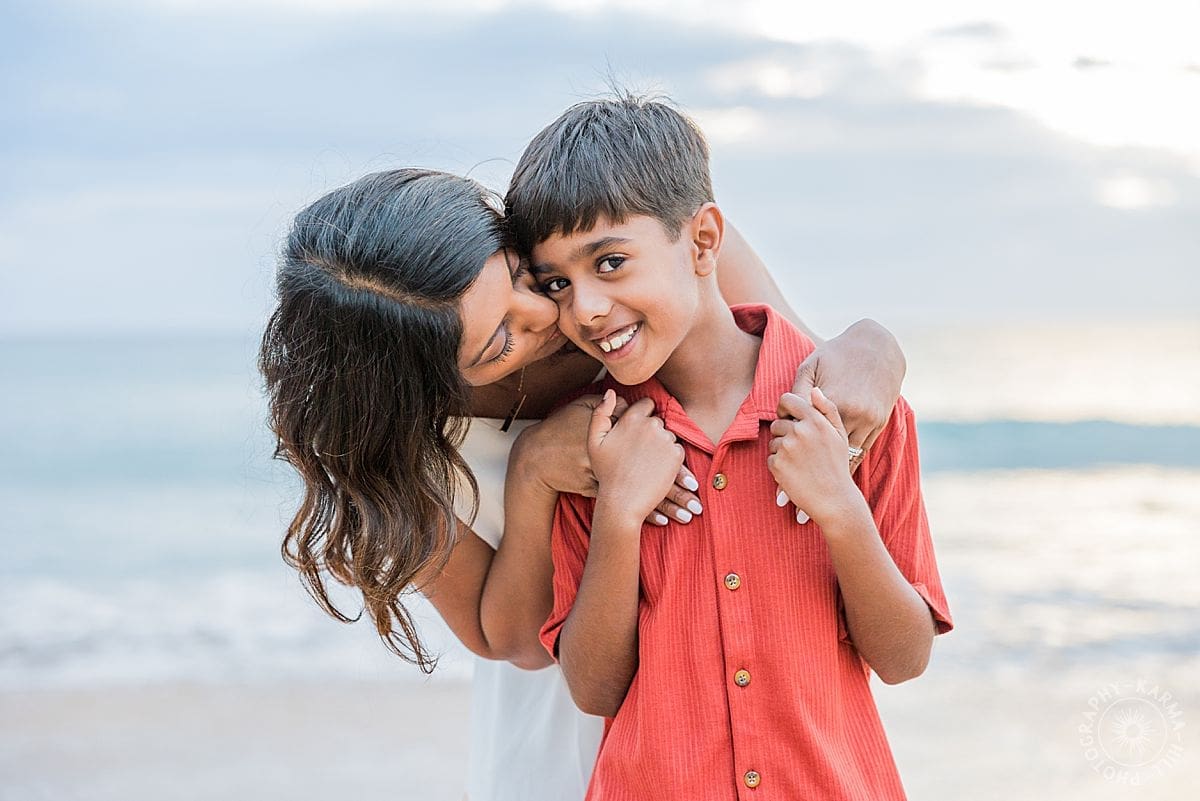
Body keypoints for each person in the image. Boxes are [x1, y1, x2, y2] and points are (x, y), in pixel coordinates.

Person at [259, 164, 908, 797]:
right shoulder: (385, 454)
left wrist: (876, 346)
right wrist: (533, 472)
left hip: (741, 721)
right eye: (500, 340)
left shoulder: (608, 246)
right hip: (566, 724)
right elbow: (510, 640)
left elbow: (800, 367)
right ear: (424, 385)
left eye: (523, 277)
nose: (548, 315)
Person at [511, 95, 953, 799]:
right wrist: (620, 513)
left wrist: (839, 506)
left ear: (703, 242)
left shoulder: (854, 413)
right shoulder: (593, 441)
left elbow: (905, 658)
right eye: (558, 283)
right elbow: (594, 689)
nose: (585, 308)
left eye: (611, 262)